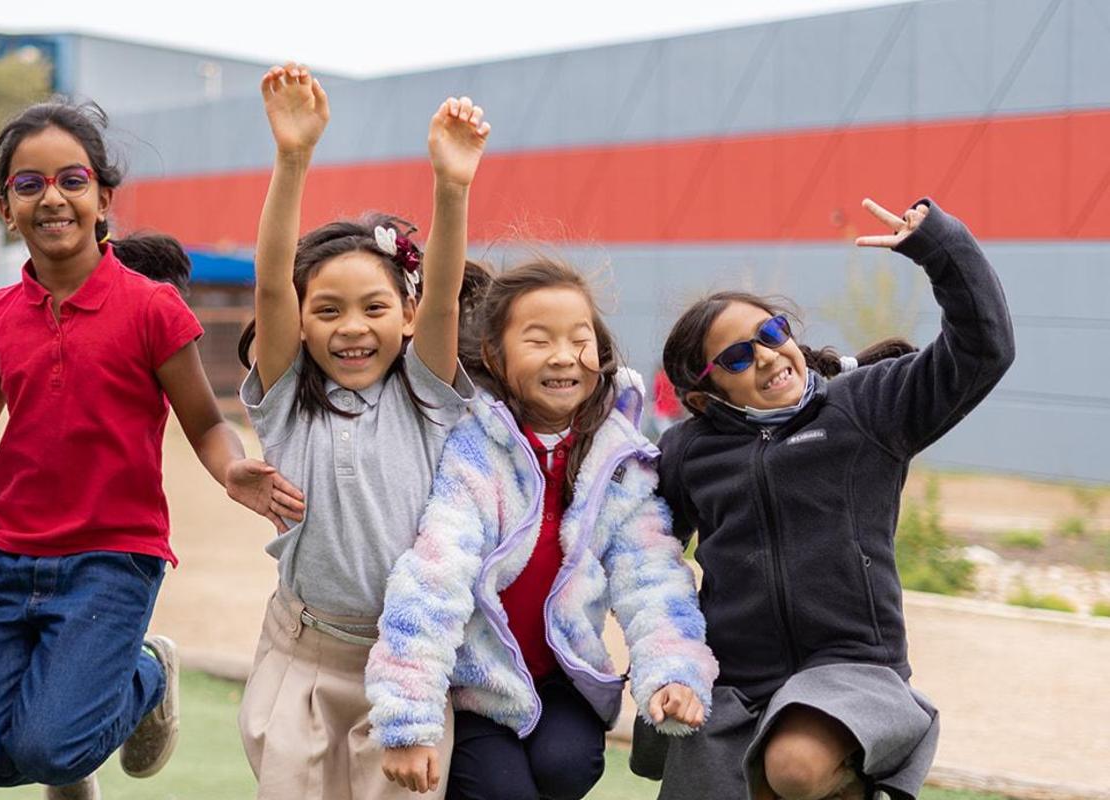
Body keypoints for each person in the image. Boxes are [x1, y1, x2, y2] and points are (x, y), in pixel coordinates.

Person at [0, 98, 303, 800]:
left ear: (102, 198)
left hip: (113, 560)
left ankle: (146, 674)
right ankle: (78, 724)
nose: (51, 197)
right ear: (7, 208)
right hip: (10, 555)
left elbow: (206, 422)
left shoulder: (152, 309)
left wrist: (230, 469)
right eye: (28, 185)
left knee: (51, 745)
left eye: (72, 179)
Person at [644, 198, 1013, 799]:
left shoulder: (864, 408)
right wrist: (669, 655)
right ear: (705, 396)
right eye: (737, 357)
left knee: (788, 770)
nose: (765, 354)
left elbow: (983, 350)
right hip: (735, 684)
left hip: (849, 672)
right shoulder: (689, 452)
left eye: (770, 333)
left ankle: (855, 786)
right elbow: (641, 553)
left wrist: (941, 248)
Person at [366, 258, 716, 800]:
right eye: (538, 340)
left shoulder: (617, 458)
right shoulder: (474, 451)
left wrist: (673, 672)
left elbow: (650, 575)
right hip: (477, 685)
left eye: (580, 340)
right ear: (494, 356)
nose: (563, 357)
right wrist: (408, 720)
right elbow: (433, 579)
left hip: (562, 680)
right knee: (499, 789)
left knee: (568, 765)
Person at [232, 63, 486, 800]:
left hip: (406, 662)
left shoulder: (426, 396)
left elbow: (442, 293)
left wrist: (452, 184)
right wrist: (292, 158)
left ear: (404, 318)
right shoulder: (285, 400)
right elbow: (272, 279)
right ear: (302, 323)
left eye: (374, 308)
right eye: (328, 310)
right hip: (301, 651)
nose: (351, 328)